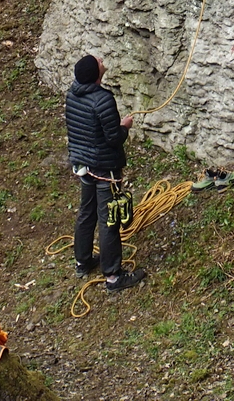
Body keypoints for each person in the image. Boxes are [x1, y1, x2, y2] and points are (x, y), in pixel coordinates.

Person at [65, 54, 146, 293]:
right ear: (97, 74)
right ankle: (113, 277)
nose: (101, 59)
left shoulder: (72, 94)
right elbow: (113, 139)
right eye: (98, 61)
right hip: (104, 169)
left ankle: (82, 261)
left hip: (84, 166)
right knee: (109, 220)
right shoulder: (103, 100)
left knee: (86, 213)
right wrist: (125, 127)